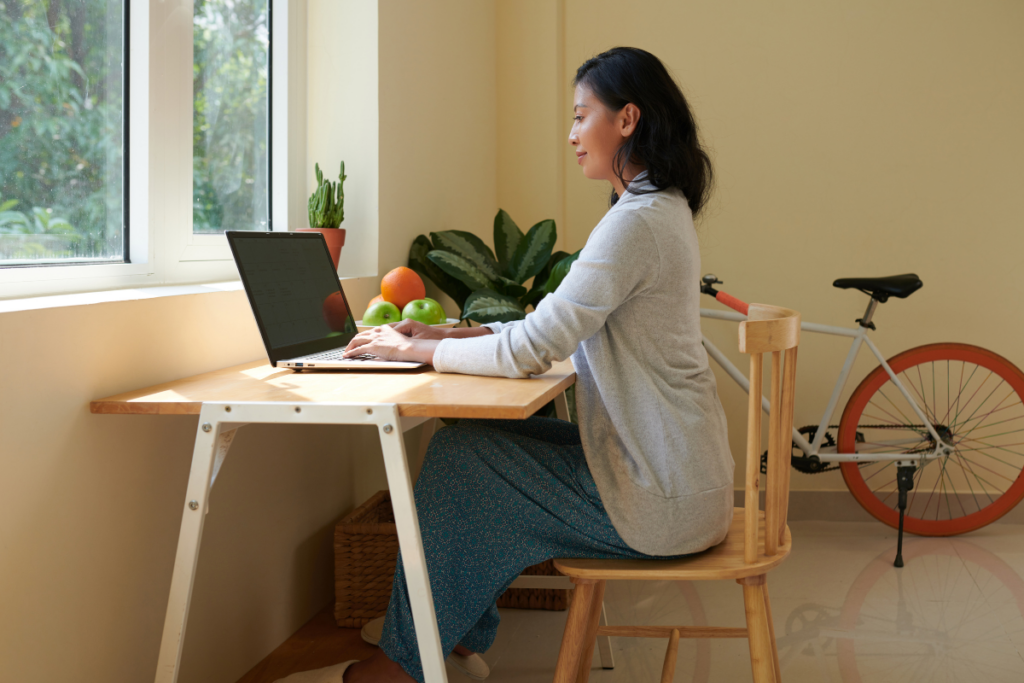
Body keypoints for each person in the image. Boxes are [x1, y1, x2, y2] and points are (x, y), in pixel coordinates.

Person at [277, 46, 734, 683]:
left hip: (661, 499)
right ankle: (450, 640)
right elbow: (553, 325)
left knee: (465, 461)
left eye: (581, 116)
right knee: (467, 440)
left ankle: (398, 670)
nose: (572, 135)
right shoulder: (658, 209)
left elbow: (533, 348)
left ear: (627, 120)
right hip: (673, 478)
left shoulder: (637, 222)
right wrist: (446, 331)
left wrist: (417, 349)